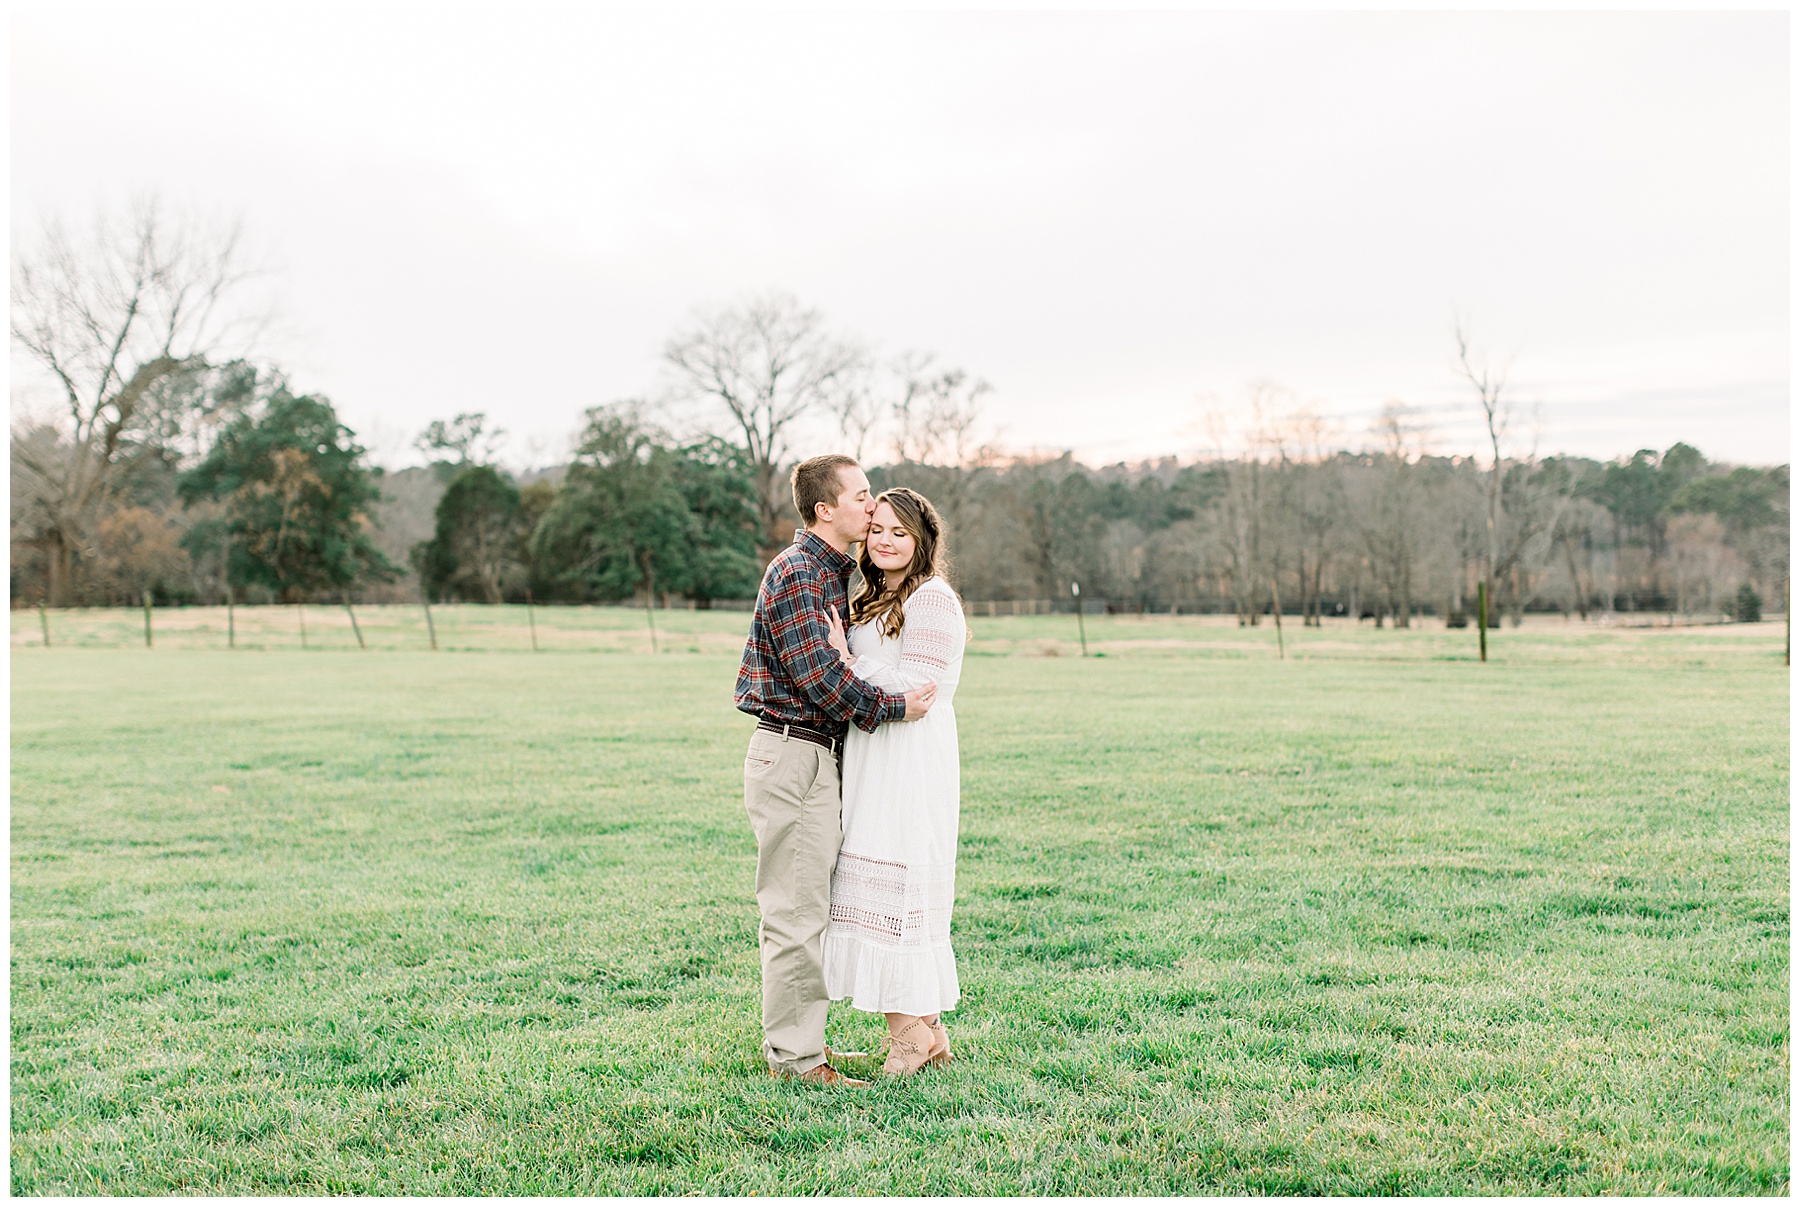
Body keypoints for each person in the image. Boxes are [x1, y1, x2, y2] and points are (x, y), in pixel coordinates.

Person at [735, 455, 938, 1087]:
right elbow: (821, 678)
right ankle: (797, 1063)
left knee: (808, 907)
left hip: (815, 755)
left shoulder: (832, 576)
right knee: (795, 914)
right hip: (795, 753)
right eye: (862, 496)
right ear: (827, 510)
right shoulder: (799, 573)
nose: (872, 508)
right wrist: (896, 706)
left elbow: (836, 663)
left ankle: (805, 1048)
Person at [822, 487, 966, 1076]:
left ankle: (908, 1037)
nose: (883, 540)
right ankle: (926, 1033)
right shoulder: (872, 597)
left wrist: (844, 662)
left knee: (898, 884)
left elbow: (919, 690)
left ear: (922, 539)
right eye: (876, 528)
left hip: (909, 761)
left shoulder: (933, 600)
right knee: (870, 887)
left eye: (898, 533)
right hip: (872, 756)